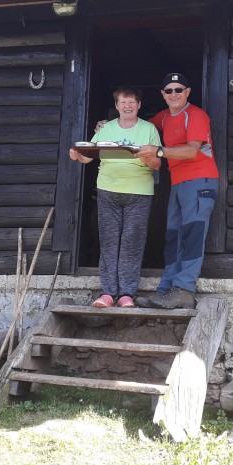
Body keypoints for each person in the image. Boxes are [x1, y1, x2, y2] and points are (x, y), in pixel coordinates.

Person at [70, 87, 161, 308]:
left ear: (139, 105)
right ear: (117, 106)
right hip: (107, 190)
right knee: (109, 242)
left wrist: (143, 156)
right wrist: (76, 155)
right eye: (123, 102)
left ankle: (127, 295)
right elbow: (89, 157)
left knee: (132, 243)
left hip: (139, 192)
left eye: (132, 102)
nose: (127, 106)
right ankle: (108, 293)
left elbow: (157, 164)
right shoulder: (106, 128)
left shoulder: (149, 129)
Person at [134, 73, 219, 310]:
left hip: (200, 181)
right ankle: (165, 290)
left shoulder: (196, 115)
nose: (174, 94)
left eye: (178, 90)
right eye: (169, 91)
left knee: (192, 234)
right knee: (174, 236)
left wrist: (158, 151)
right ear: (163, 94)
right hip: (178, 183)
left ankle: (184, 290)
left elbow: (192, 151)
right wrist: (106, 124)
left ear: (187, 92)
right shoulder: (163, 117)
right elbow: (138, 126)